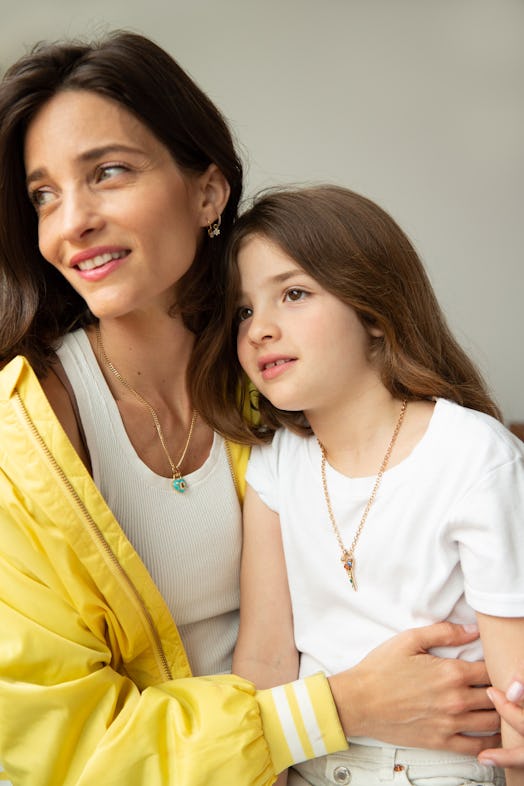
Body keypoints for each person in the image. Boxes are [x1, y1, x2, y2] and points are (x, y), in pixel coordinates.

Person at [0, 32, 502, 786]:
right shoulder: (22, 445)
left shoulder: (284, 387)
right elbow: (64, 748)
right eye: (44, 195)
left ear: (207, 192)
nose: (71, 223)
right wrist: (335, 708)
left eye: (107, 172)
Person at [195, 184, 524, 786]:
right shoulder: (276, 463)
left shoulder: (475, 456)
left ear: (374, 313)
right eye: (244, 310)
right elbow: (264, 662)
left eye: (293, 294)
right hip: (306, 763)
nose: (259, 329)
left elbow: (517, 695)